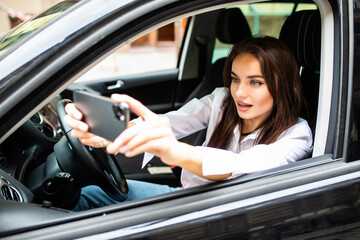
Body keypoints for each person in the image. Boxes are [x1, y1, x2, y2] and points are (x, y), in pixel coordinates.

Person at [64, 36, 313, 211]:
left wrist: (174, 151)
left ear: (282, 85)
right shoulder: (222, 99)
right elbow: (172, 122)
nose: (239, 93)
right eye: (236, 79)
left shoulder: (297, 136)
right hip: (187, 196)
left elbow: (239, 165)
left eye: (255, 82)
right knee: (90, 194)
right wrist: (109, 131)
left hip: (222, 215)